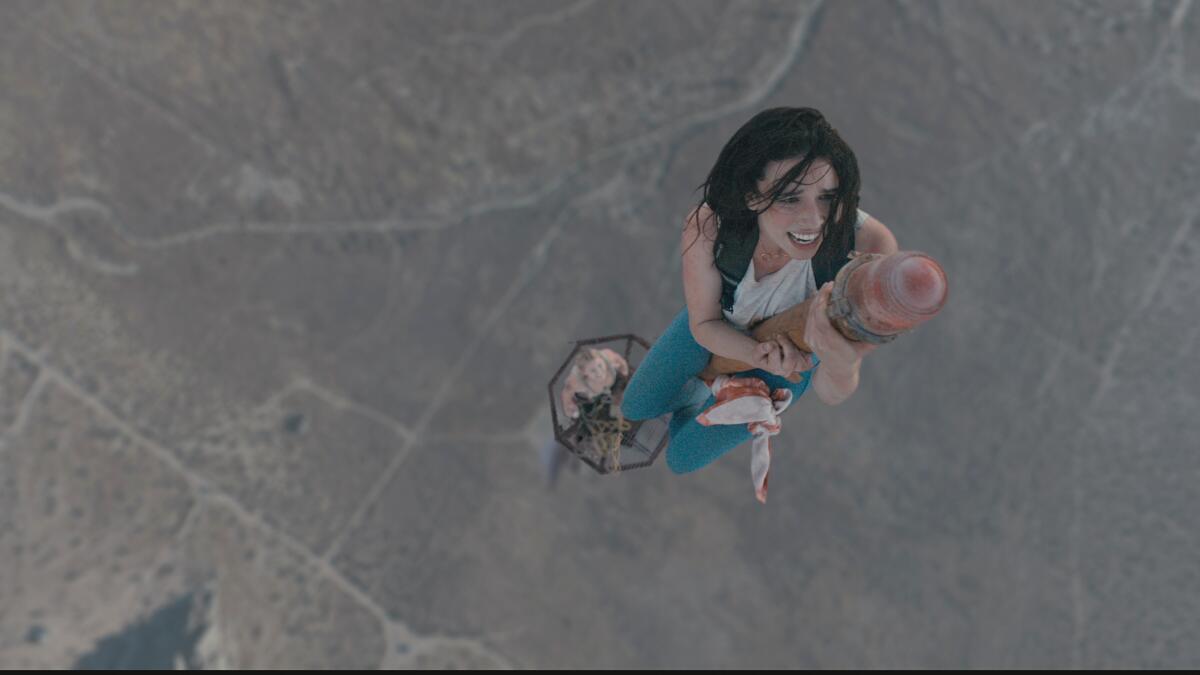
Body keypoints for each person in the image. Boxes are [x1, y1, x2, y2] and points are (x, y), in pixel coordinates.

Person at [620, 107, 899, 475]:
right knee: (635, 406)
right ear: (752, 196)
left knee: (681, 458)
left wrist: (839, 360)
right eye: (789, 198)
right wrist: (754, 352)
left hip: (789, 364)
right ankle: (698, 393)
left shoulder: (868, 248)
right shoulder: (712, 226)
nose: (814, 220)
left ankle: (702, 402)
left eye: (828, 198)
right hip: (717, 325)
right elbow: (704, 322)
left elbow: (834, 391)